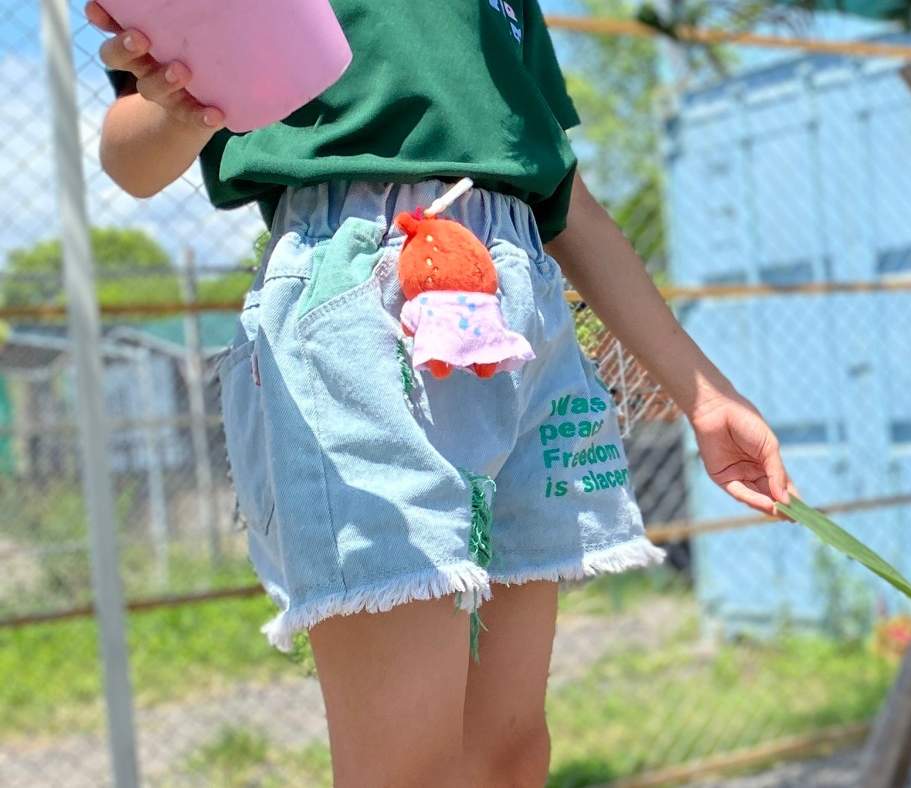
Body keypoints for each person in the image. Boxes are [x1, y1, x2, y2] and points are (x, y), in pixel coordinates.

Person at [88, 2, 792, 785]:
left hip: (519, 298)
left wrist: (705, 396)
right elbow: (131, 159)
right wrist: (178, 108)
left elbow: (563, 193)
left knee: (509, 759)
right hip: (361, 293)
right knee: (407, 767)